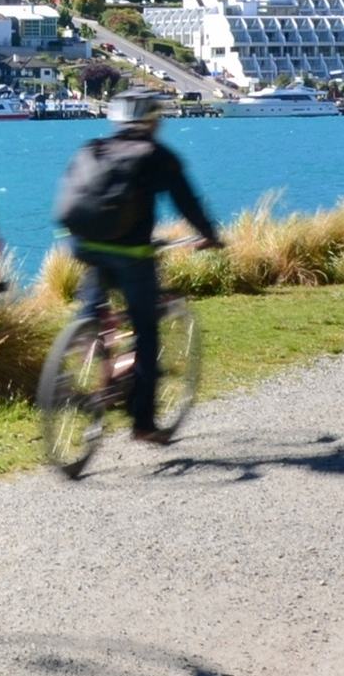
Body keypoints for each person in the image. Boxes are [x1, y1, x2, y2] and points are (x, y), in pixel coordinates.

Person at [55, 93, 221, 443]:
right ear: (154, 121)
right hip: (131, 253)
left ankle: (85, 346)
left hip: (82, 244)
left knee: (94, 307)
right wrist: (209, 235)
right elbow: (187, 203)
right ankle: (143, 423)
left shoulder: (93, 149)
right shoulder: (158, 156)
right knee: (146, 330)